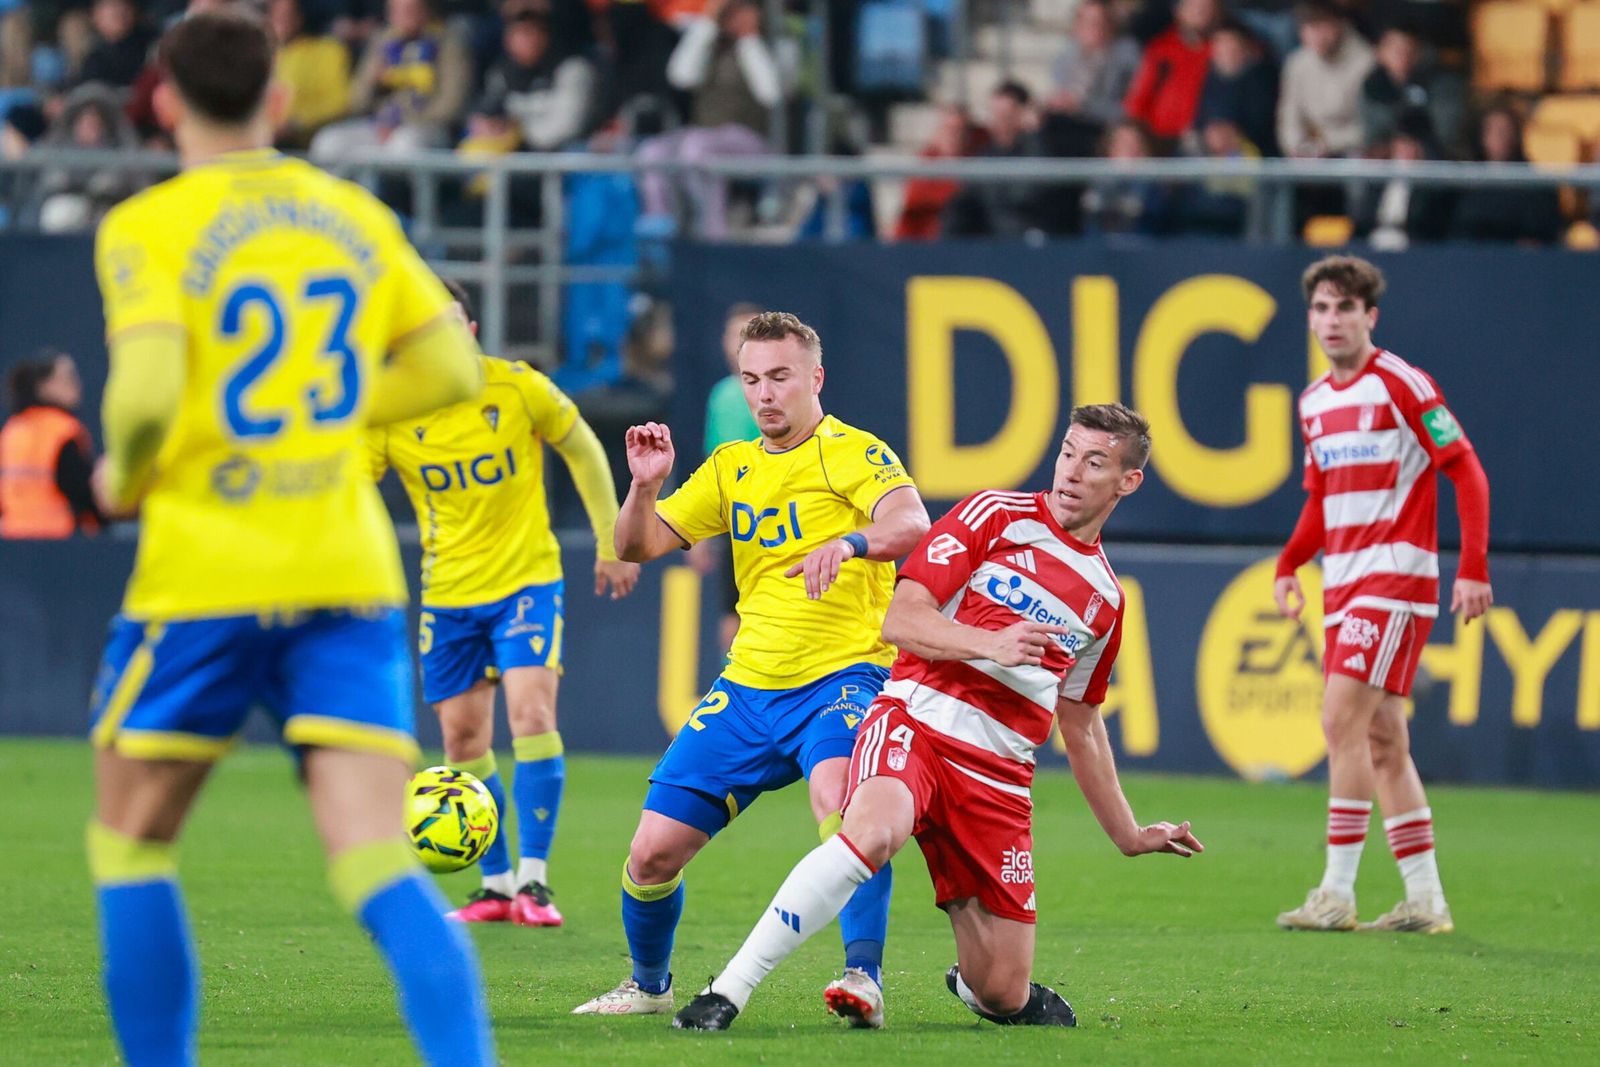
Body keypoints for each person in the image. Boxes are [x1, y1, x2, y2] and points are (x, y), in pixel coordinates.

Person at [84, 10, 494, 1065]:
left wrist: (122, 473)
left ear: (163, 98)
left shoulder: (147, 225)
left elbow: (145, 398)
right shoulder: (351, 212)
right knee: (374, 857)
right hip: (345, 571)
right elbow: (451, 368)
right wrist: (333, 413)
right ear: (278, 98)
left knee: (131, 843)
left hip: (205, 574)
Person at [671, 404, 1203, 1032]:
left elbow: (1081, 723)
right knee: (870, 834)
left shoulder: (1105, 598)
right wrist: (990, 643)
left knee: (1003, 993)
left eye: (1094, 462)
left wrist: (1129, 835)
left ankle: (978, 984)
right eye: (1067, 453)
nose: (1072, 472)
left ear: (1127, 481)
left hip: (998, 780)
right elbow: (900, 620)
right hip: (916, 723)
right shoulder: (994, 515)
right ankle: (727, 992)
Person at [573, 311, 931, 1026]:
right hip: (746, 690)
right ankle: (649, 985)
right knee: (651, 854)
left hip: (843, 678)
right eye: (752, 379)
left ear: (815, 378)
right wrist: (644, 486)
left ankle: (862, 976)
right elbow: (636, 545)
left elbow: (912, 522)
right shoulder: (732, 466)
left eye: (779, 377)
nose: (764, 394)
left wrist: (851, 544)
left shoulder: (853, 453)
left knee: (844, 810)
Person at [369, 279, 639, 926]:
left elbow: (581, 444)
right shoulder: (392, 411)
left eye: (450, 322)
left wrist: (611, 539)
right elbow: (348, 489)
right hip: (448, 593)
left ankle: (535, 882)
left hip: (526, 580)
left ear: (470, 329)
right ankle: (495, 885)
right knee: (461, 737)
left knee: (531, 711)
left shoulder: (515, 387)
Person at [1274, 255, 1492, 935]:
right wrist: (1290, 562)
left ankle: (1336, 892)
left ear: (1371, 316)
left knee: (1340, 719)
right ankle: (1426, 900)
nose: (1332, 320)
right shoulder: (1314, 402)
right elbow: (1320, 500)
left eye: (1345, 307)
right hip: (1342, 581)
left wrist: (1473, 566)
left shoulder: (1402, 383)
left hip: (1396, 574)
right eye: (1321, 308)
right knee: (1383, 737)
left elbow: (1466, 469)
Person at [686, 301, 761, 656]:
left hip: (780, 520)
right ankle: (733, 683)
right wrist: (699, 533)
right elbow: (714, 466)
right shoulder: (721, 396)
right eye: (734, 334)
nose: (739, 342)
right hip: (737, 524)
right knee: (732, 617)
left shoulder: (777, 393)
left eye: (749, 334)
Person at [0, 350, 99, 538]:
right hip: (59, 539)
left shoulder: (11, 430)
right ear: (43, 386)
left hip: (11, 539)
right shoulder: (64, 431)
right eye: (67, 378)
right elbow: (82, 492)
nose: (76, 385)